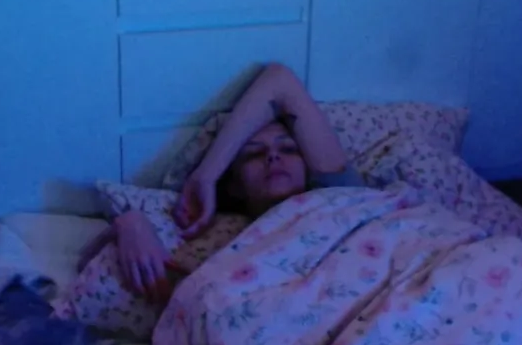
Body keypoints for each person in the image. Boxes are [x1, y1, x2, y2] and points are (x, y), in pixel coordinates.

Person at [111, 63, 363, 303]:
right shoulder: (232, 246)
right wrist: (130, 224)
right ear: (236, 186)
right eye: (254, 154)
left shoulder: (341, 194)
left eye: (288, 149)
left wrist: (205, 175)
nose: (273, 156)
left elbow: (279, 81)